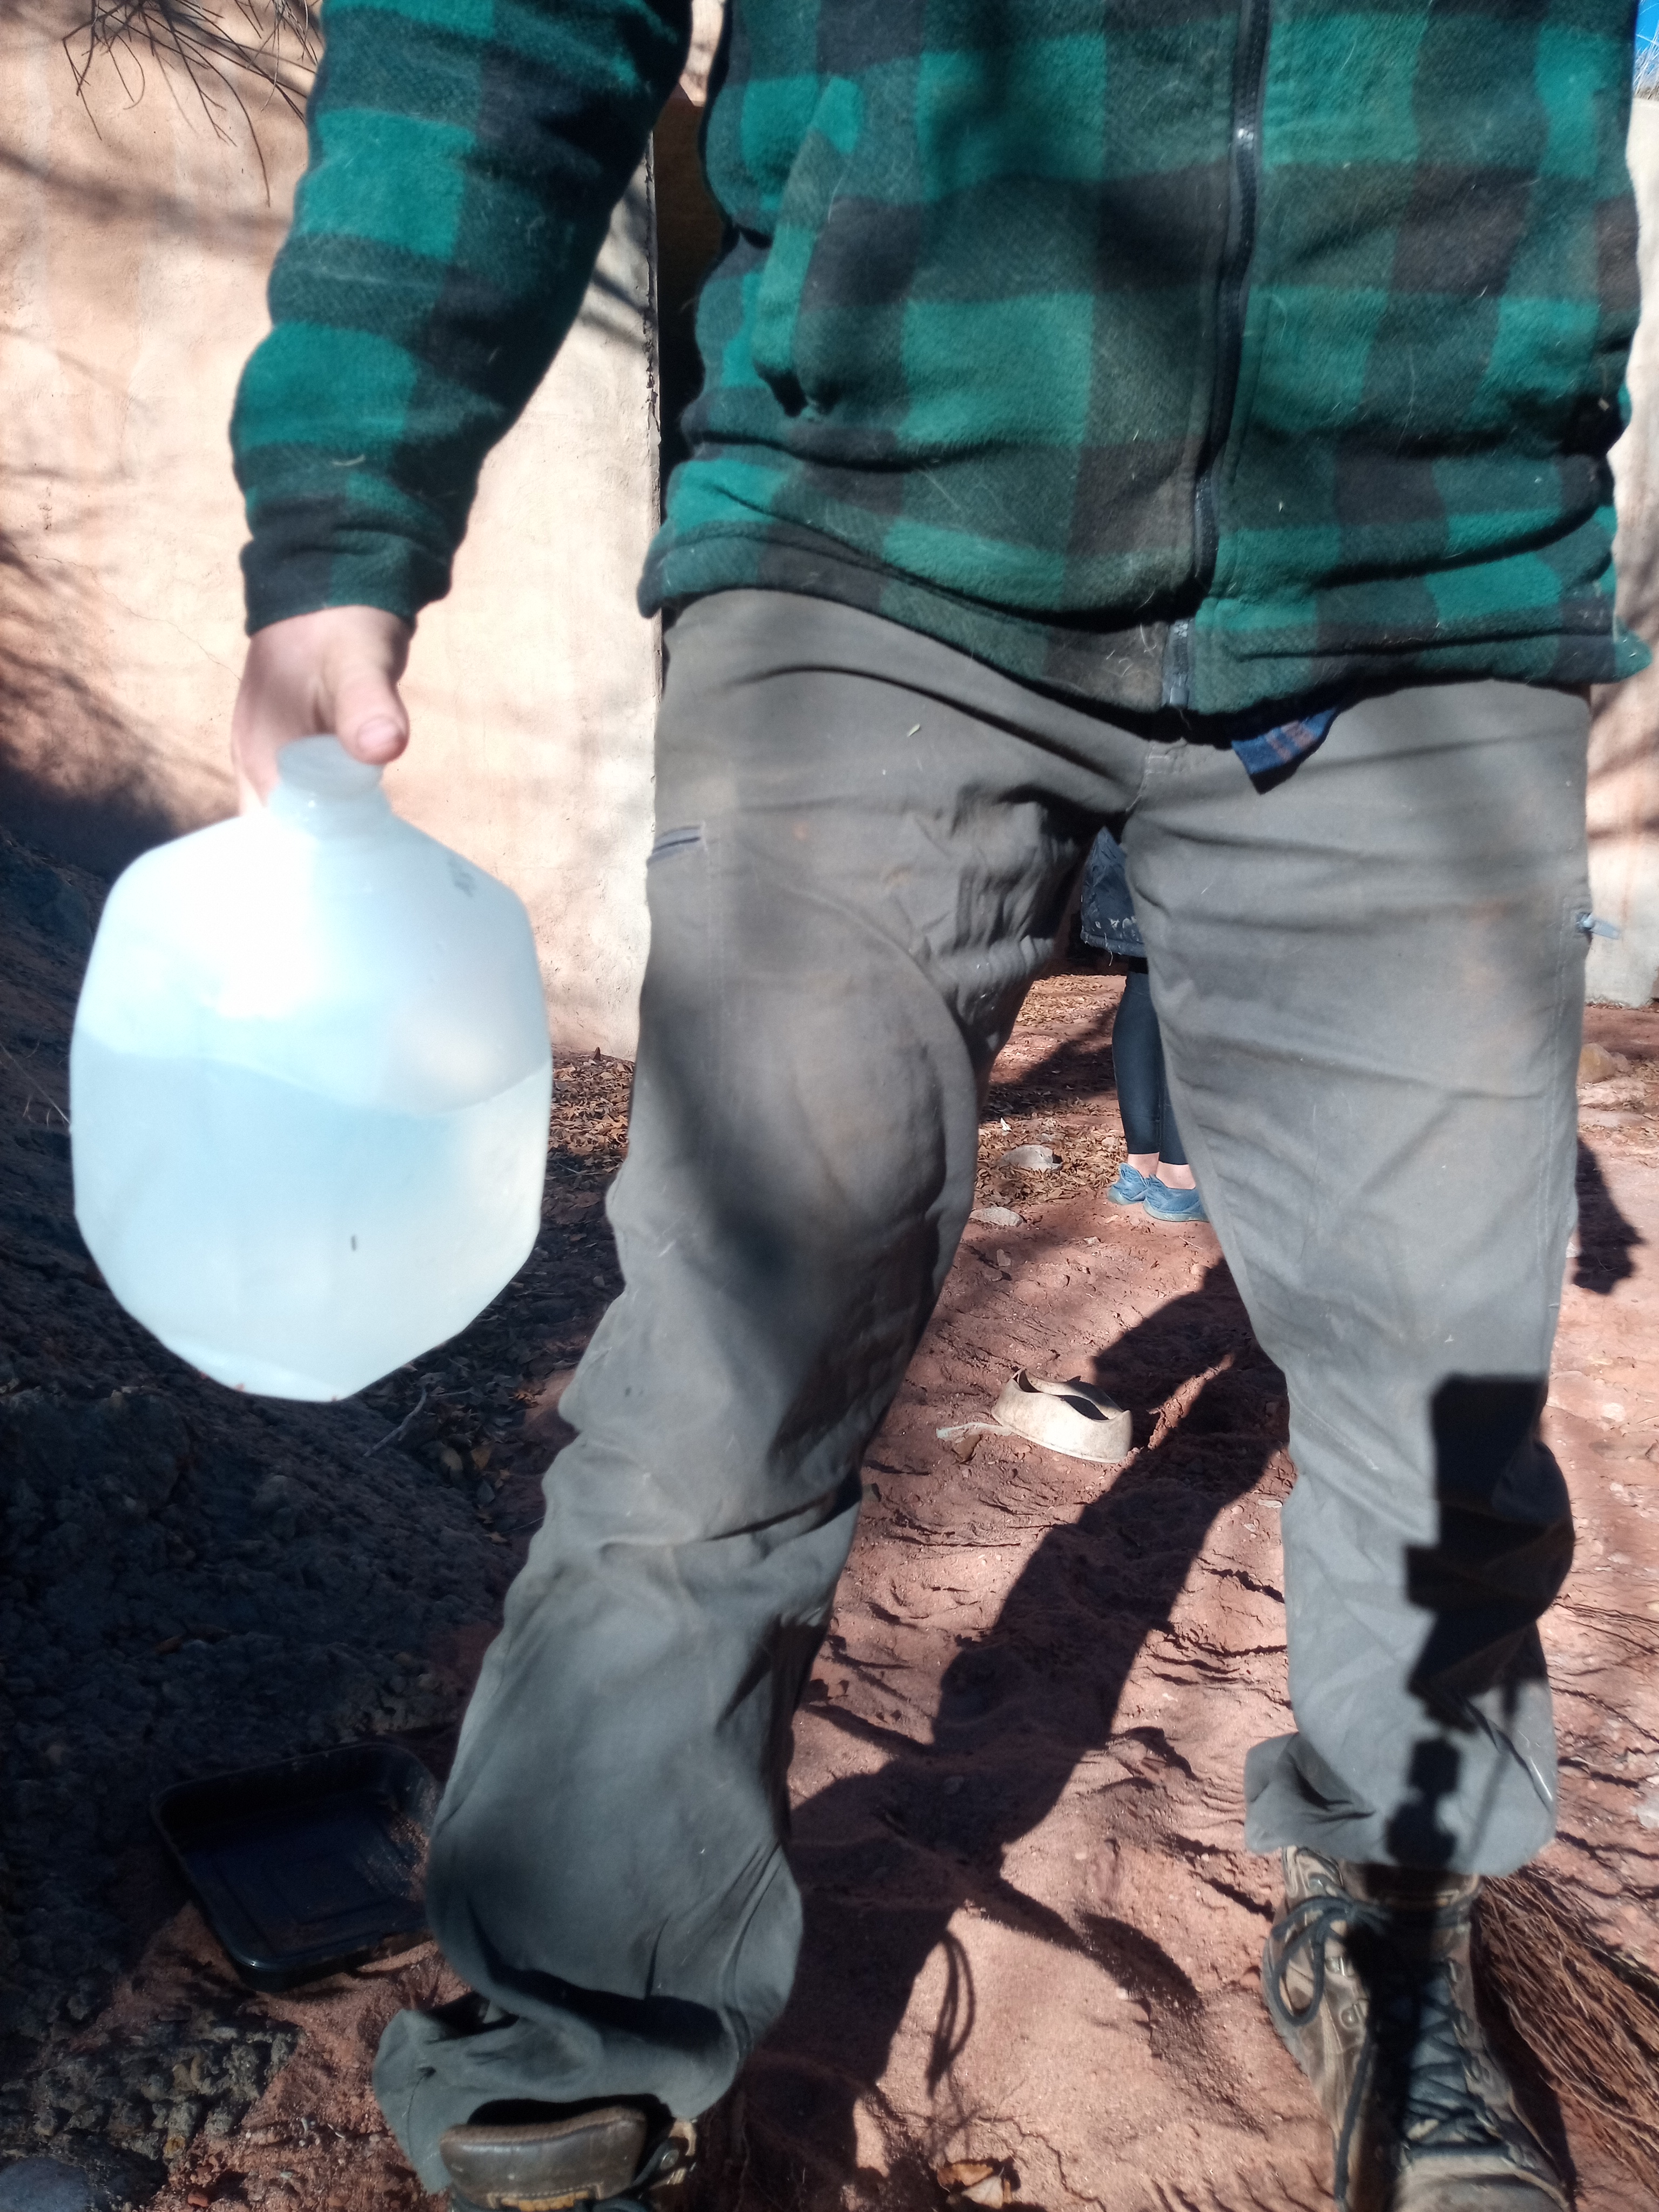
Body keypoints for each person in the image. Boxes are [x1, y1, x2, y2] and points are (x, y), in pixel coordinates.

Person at [226, 6, 1639, 2206]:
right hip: (877, 534)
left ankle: (1387, 1908)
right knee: (731, 1366)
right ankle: (569, 2059)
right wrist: (347, 496)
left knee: (1442, 1384)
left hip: (1427, 582)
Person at [1078, 827, 1207, 1224]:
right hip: (1187, 850)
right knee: (1190, 987)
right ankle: (1179, 1179)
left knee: (1145, 977)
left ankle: (1142, 1167)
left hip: (1125, 847)